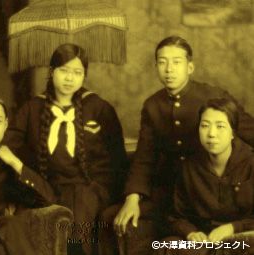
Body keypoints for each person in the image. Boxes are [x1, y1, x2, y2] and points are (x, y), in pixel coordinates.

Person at [102, 35, 254, 255]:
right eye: (162, 62)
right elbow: (144, 158)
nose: (169, 69)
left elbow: (247, 130)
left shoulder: (212, 97)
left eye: (176, 62)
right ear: (156, 67)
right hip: (168, 193)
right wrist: (132, 198)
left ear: (190, 67)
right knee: (111, 219)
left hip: (208, 189)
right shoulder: (153, 105)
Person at [5, 43, 128, 255]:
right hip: (46, 187)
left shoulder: (99, 108)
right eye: (63, 71)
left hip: (90, 188)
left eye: (77, 72)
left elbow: (118, 159)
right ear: (52, 72)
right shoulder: (31, 109)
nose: (69, 78)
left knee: (78, 217)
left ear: (84, 76)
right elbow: (9, 148)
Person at [0, 92, 73, 255]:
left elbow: (48, 200)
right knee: (9, 223)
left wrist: (15, 163)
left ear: (5, 125)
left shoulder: (10, 165)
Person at [154, 97, 254, 255]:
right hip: (205, 242)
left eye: (220, 126)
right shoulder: (189, 166)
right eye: (205, 126)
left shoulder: (250, 163)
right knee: (167, 246)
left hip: (241, 241)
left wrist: (232, 228)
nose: (212, 134)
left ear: (233, 132)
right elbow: (175, 216)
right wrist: (191, 233)